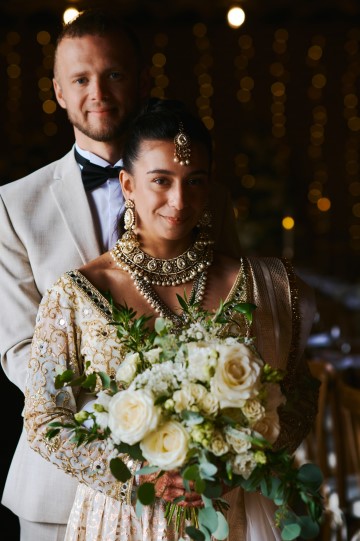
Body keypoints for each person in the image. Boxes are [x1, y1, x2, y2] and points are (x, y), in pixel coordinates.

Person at [24, 97, 318, 541]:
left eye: (194, 181)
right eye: (161, 180)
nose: (179, 200)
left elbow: (299, 393)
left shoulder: (262, 284)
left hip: (231, 514)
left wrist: (236, 461)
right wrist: (136, 475)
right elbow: (45, 418)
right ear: (127, 185)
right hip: (126, 520)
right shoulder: (78, 294)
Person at [0, 9, 241, 541]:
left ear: (140, 79)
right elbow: (20, 349)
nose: (99, 92)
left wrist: (188, 426)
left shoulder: (206, 197)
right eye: (81, 79)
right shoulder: (15, 206)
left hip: (189, 484)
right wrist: (136, 429)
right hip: (57, 487)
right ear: (59, 91)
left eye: (114, 74)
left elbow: (230, 316)